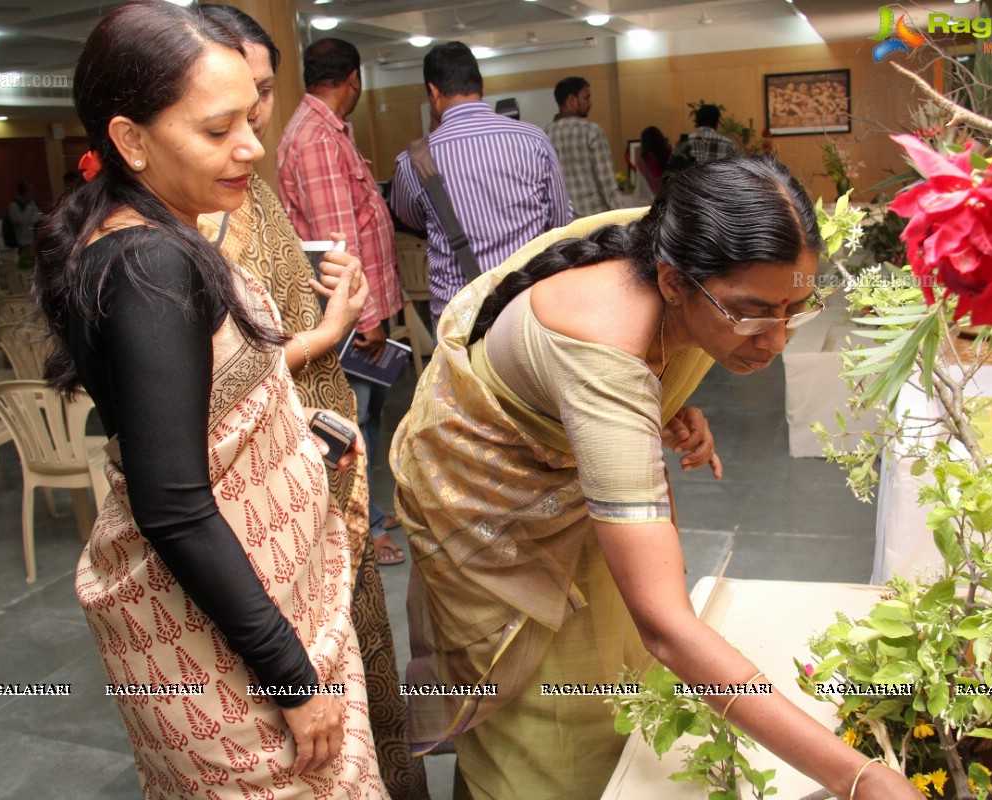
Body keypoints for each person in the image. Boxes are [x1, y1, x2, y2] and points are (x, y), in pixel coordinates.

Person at [389, 158, 924, 800]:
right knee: (545, 721)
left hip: (576, 482)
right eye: (754, 315)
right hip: (497, 518)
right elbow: (667, 625)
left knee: (618, 674)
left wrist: (662, 408)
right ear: (672, 284)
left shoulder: (672, 258)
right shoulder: (603, 350)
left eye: (797, 310)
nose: (777, 340)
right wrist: (858, 776)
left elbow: (640, 369)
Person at [33, 2, 386, 796]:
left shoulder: (143, 232)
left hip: (238, 608)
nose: (252, 148)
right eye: (218, 129)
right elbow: (175, 506)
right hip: (229, 648)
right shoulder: (150, 262)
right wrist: (294, 682)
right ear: (130, 140)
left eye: (252, 118)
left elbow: (198, 417)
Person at [195, 7, 429, 797]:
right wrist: (331, 329)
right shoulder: (177, 219)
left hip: (318, 469)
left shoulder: (248, 186)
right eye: (238, 99)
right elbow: (209, 382)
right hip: (259, 498)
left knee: (363, 670)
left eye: (263, 91)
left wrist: (339, 295)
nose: (259, 118)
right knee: (302, 717)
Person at [276, 36, 408, 568]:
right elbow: (338, 244)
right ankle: (362, 529)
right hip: (349, 314)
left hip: (353, 312)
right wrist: (369, 317)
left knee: (368, 416)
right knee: (350, 424)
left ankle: (372, 509)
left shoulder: (327, 132)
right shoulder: (317, 139)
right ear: (353, 79)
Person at [390, 41, 572, 323]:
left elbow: (411, 220)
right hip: (529, 307)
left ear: (434, 92)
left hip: (460, 317)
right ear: (480, 86)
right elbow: (560, 222)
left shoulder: (415, 160)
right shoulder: (533, 139)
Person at [544, 76, 624, 218]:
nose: (590, 103)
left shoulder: (545, 135)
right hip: (594, 219)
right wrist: (621, 217)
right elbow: (606, 181)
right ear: (572, 100)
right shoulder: (591, 131)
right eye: (586, 97)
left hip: (564, 224)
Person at [667, 103, 737, 180]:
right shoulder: (727, 143)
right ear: (717, 122)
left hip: (690, 187)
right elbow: (733, 170)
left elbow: (671, 164)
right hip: (717, 187)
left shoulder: (684, 141)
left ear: (697, 121)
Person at [635, 125, 670, 199]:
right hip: (670, 195)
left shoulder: (645, 161)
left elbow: (641, 188)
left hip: (653, 198)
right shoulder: (669, 155)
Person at [7, 181, 42, 251]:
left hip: (36, 242)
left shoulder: (33, 205)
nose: (33, 193)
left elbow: (39, 217)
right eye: (30, 190)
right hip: (25, 244)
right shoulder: (14, 206)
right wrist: (29, 205)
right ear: (23, 192)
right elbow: (23, 221)